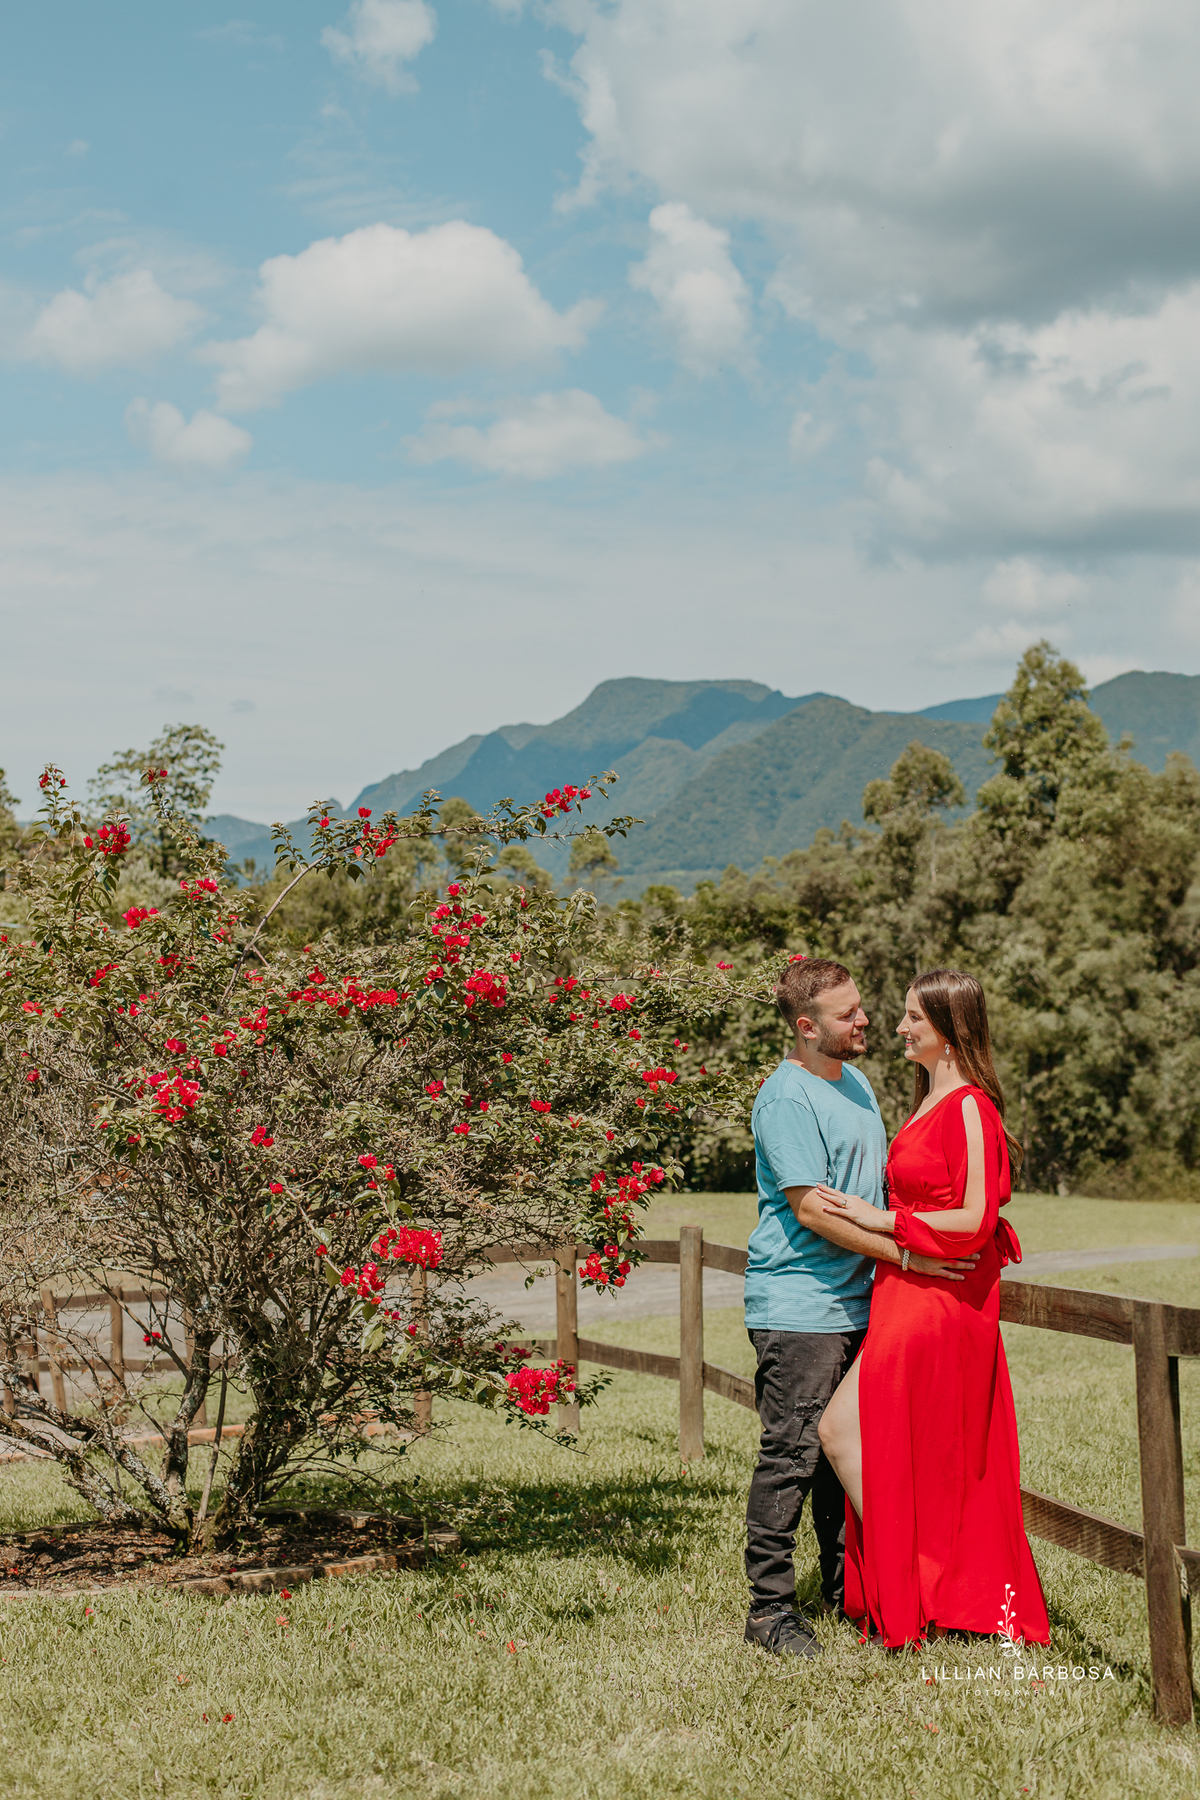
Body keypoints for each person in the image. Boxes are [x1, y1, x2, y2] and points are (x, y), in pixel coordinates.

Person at [743, 958, 979, 1659]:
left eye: (861, 1007)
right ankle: (770, 1611)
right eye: (846, 1014)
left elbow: (877, 1192)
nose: (865, 1019)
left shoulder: (856, 1081)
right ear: (806, 1026)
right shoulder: (787, 1100)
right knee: (792, 1454)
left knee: (844, 1454)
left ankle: (848, 1588)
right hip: (800, 1305)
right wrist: (909, 1256)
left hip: (862, 1299)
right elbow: (813, 1210)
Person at [816, 967, 1051, 1650]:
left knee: (844, 1430)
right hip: (904, 1289)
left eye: (914, 1017)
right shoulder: (926, 1101)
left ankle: (924, 1583)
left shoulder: (971, 1106)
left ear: (949, 1030)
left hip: (941, 1298)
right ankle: (926, 1583)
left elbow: (976, 1219)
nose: (898, 1027)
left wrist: (881, 1219)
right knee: (892, 1444)